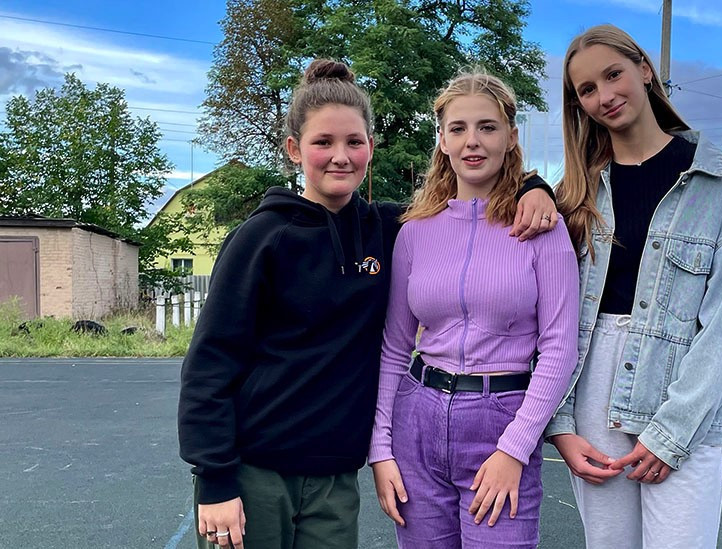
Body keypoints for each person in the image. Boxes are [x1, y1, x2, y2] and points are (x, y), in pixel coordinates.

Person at [177, 59, 557, 549]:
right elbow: (210, 363)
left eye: (354, 142)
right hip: (254, 472)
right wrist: (215, 480)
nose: (340, 156)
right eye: (323, 143)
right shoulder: (261, 238)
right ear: (295, 150)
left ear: (370, 149)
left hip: (335, 478)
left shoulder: (392, 228)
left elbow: (467, 205)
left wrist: (533, 186)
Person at [545, 25, 722, 548]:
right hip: (593, 397)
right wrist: (561, 424)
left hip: (685, 396)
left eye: (612, 75)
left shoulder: (711, 181)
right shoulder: (574, 193)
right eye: (586, 90)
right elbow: (549, 316)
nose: (604, 96)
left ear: (644, 70)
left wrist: (673, 431)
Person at [368, 70, 580, 549]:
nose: (472, 142)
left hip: (501, 421)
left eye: (487, 127)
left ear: (510, 136)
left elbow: (560, 348)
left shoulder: (542, 228)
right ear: (442, 140)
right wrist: (380, 448)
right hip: (416, 423)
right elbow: (395, 347)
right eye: (458, 129)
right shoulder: (415, 231)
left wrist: (515, 448)